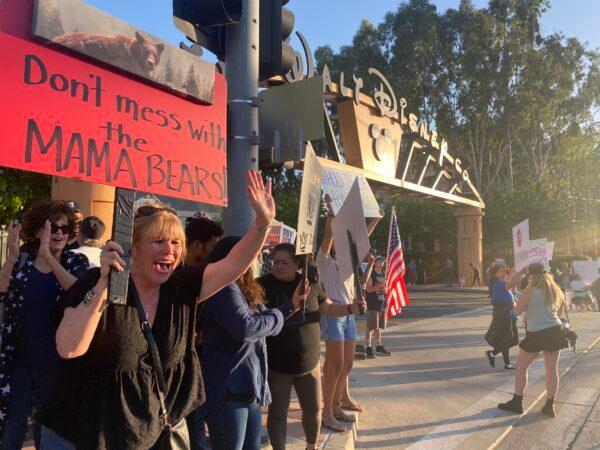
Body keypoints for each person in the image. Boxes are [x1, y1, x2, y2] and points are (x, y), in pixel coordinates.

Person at [39, 170, 276, 449]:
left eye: (176, 242)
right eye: (158, 241)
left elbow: (235, 263)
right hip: (85, 435)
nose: (170, 250)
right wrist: (104, 284)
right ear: (134, 250)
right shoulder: (98, 282)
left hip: (151, 434)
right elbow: (69, 347)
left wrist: (263, 222)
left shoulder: (181, 288)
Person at [0, 201, 90, 449]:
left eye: (65, 227)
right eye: (53, 227)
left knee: (48, 431)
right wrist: (11, 258)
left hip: (56, 364)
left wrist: (49, 258)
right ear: (39, 230)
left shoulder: (75, 262)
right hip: (19, 361)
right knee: (12, 428)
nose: (59, 233)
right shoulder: (23, 262)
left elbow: (78, 291)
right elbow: (2, 291)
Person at [199, 237, 298, 450]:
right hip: (229, 393)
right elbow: (246, 328)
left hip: (248, 389)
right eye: (250, 254)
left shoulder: (243, 288)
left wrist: (289, 307)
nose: (254, 261)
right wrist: (277, 316)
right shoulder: (224, 288)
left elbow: (260, 323)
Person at [259, 244, 365, 441]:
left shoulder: (310, 284)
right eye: (275, 262)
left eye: (284, 262)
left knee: (314, 411)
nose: (278, 266)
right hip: (278, 366)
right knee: (278, 414)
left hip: (309, 366)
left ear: (297, 264)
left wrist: (351, 308)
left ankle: (311, 446)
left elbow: (329, 309)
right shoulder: (262, 285)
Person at [317, 195, 380, 432]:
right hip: (333, 315)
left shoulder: (349, 265)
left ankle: (338, 403)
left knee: (347, 364)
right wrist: (331, 217)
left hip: (349, 316)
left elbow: (360, 242)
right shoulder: (324, 262)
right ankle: (328, 412)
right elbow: (329, 236)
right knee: (334, 364)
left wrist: (376, 219)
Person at [497, 263, 569, 417]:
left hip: (536, 333)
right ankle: (549, 406)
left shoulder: (530, 291)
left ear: (532, 276)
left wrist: (518, 305)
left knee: (521, 368)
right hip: (554, 331)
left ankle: (517, 402)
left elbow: (515, 312)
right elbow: (559, 312)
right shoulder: (555, 289)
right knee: (551, 369)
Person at [183, 214, 223, 450]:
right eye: (214, 246)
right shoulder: (173, 275)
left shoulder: (212, 275)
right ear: (197, 245)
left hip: (203, 361)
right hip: (182, 362)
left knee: (197, 420)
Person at [484, 266, 519, 371]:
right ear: (495, 274)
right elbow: (510, 284)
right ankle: (506, 364)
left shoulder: (501, 283)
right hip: (505, 317)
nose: (503, 272)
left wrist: (512, 274)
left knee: (511, 340)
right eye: (501, 271)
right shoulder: (499, 283)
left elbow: (510, 286)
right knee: (508, 339)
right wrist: (514, 273)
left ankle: (493, 354)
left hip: (509, 316)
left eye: (504, 270)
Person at [364, 256, 391, 358]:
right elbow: (369, 289)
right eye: (379, 261)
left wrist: (385, 290)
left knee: (378, 327)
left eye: (382, 262)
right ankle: (368, 348)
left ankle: (379, 345)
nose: (382, 263)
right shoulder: (371, 274)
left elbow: (386, 290)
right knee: (370, 327)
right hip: (373, 304)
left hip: (381, 304)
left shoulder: (384, 275)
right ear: (375, 263)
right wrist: (379, 286)